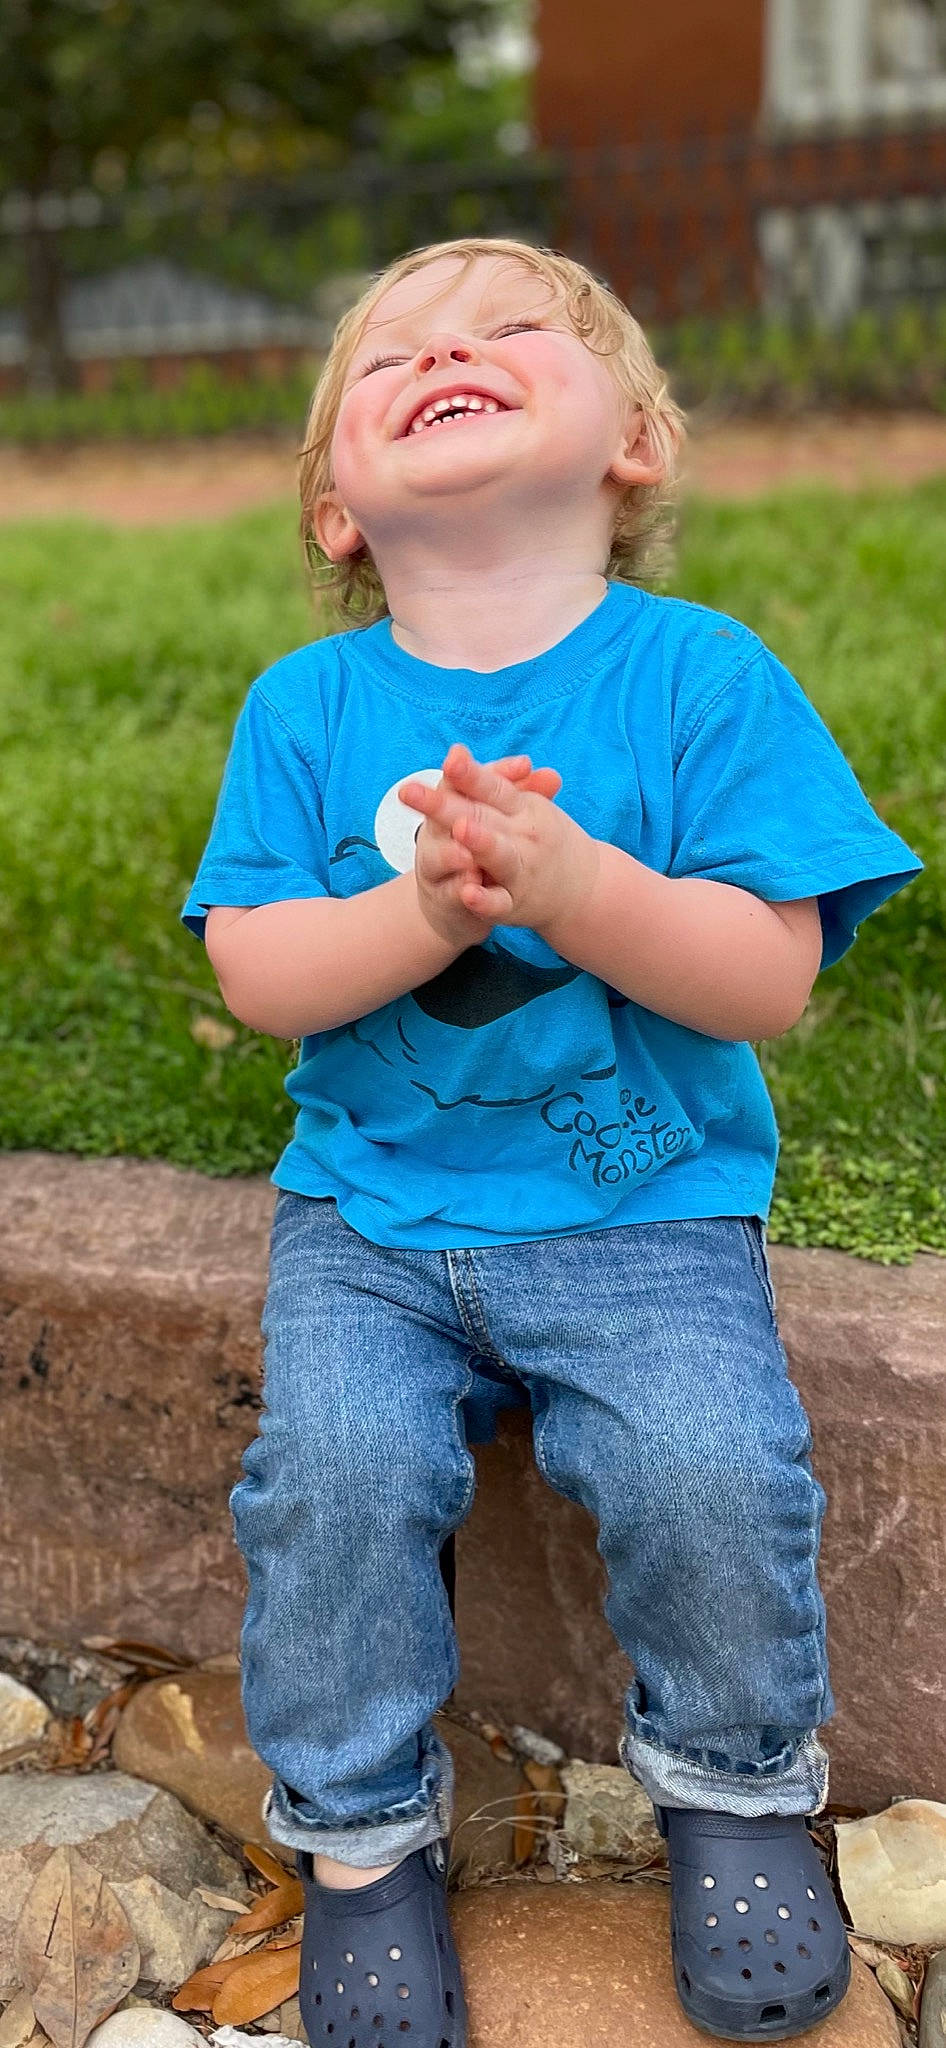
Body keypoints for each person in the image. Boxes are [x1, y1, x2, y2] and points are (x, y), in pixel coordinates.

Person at [181, 235, 923, 2044]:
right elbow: (262, 967)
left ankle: (736, 1794)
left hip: (642, 1213)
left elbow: (764, 979)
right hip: (368, 1223)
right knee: (333, 1487)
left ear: (634, 447)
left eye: (511, 330)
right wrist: (428, 916)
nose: (447, 347)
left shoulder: (698, 679)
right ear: (337, 510)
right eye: (392, 355)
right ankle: (359, 1847)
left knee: (706, 1468)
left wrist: (578, 886)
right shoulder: (309, 712)